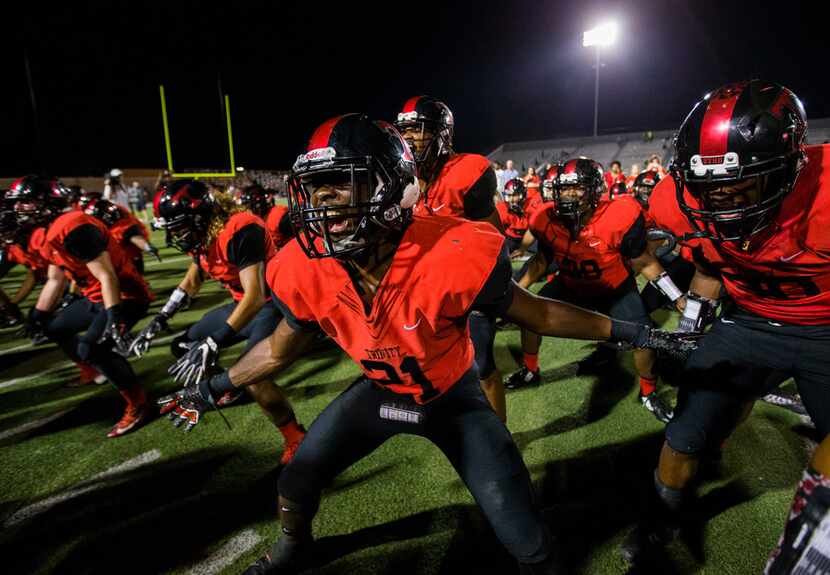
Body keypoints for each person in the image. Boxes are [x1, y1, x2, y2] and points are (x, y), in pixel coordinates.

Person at [155, 114, 695, 574]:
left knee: (526, 537)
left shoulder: (451, 247)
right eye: (317, 187)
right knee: (296, 481)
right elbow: (278, 347)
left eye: (342, 183)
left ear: (391, 186)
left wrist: (638, 332)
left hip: (452, 400)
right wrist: (214, 388)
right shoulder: (301, 264)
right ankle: (293, 548)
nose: (324, 200)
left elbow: (539, 311)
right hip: (377, 392)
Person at [621, 80, 830, 567]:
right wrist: (693, 316)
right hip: (750, 320)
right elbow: (711, 264)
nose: (721, 199)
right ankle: (661, 519)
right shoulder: (676, 200)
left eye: (738, 183)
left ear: (789, 167)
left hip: (826, 331)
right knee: (684, 432)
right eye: (707, 186)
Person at [129, 179, 306, 465]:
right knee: (185, 345)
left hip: (273, 304)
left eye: (179, 226)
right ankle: (230, 386)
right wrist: (161, 317)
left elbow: (256, 295)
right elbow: (193, 277)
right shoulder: (202, 235)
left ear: (201, 217)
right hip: (242, 303)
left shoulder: (239, 228)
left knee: (255, 377)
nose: (176, 234)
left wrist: (215, 340)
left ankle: (294, 435)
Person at [502, 158, 680, 423]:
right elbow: (540, 261)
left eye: (577, 188)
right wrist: (515, 294)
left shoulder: (619, 214)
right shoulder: (546, 218)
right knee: (530, 314)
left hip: (615, 287)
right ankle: (530, 368)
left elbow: (642, 260)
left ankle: (648, 392)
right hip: (571, 283)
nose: (568, 195)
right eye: (563, 189)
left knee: (644, 337)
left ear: (595, 190)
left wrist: (677, 296)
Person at [8, 175, 153, 437]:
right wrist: (38, 314)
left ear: (46, 201)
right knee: (54, 327)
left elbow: (107, 276)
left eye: (25, 203)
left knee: (93, 347)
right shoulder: (47, 231)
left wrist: (114, 316)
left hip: (124, 295)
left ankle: (139, 403)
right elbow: (55, 278)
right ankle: (92, 373)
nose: (19, 209)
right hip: (95, 296)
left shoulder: (72, 225)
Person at [394, 95, 507, 419]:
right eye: (405, 131)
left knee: (482, 364)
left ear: (442, 133)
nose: (409, 138)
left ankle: (500, 436)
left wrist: (489, 291)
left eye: (417, 129)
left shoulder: (467, 171)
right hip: (425, 290)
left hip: (468, 287)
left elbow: (493, 241)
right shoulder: (403, 178)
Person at [84, 199, 161, 274]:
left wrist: (148, 247)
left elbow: (133, 236)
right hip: (127, 257)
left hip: (126, 261)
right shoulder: (118, 213)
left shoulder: (119, 227)